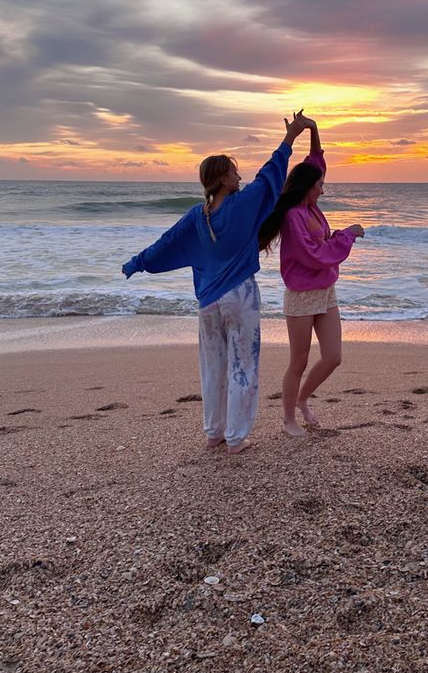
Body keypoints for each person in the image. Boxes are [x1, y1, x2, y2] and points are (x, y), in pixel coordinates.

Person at [121, 111, 311, 454]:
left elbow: (166, 244)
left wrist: (137, 263)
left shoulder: (197, 215)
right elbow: (271, 175)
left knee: (213, 368)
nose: (240, 175)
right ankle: (236, 438)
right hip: (240, 296)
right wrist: (290, 138)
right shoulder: (242, 204)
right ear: (223, 179)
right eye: (234, 171)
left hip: (208, 302)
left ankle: (214, 433)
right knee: (244, 366)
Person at [258, 119, 364, 437]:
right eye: (319, 185)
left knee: (333, 356)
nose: (323, 187)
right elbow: (312, 256)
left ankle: (304, 398)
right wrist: (347, 234)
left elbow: (315, 161)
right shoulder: (293, 215)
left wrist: (313, 128)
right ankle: (289, 418)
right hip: (302, 294)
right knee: (298, 362)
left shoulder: (311, 206)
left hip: (325, 289)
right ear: (307, 187)